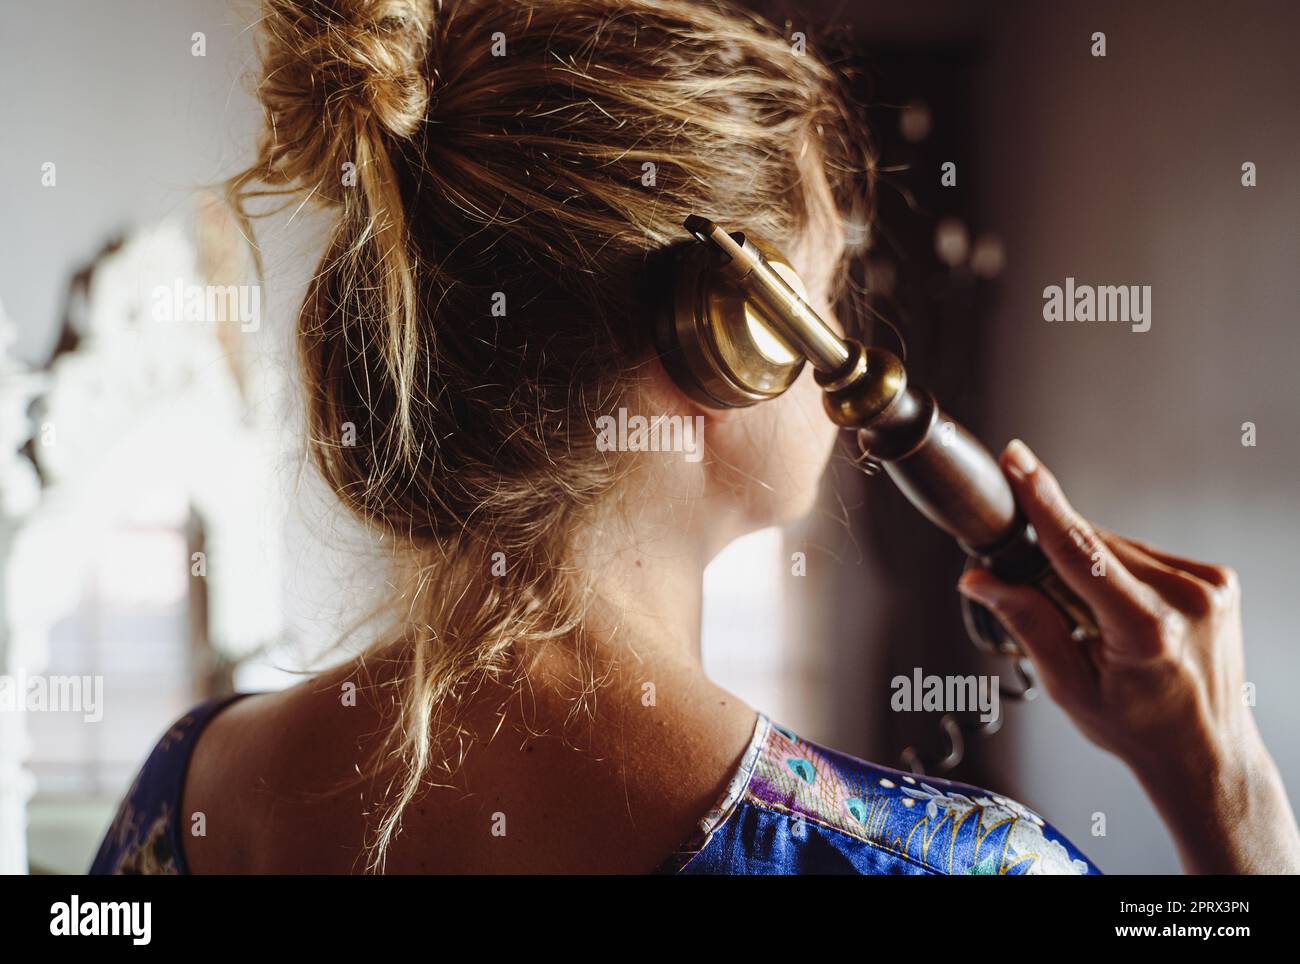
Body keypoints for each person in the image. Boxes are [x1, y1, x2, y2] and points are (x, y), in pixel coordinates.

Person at [91, 0, 1299, 875]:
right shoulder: (949, 866)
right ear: (732, 338)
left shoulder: (188, 790)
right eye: (828, 287)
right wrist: (1228, 794)